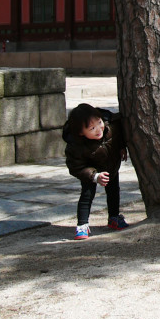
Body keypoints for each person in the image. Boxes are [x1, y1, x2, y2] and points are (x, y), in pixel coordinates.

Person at [63, 103, 129, 240]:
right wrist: (94, 176)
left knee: (113, 192)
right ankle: (82, 224)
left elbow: (119, 135)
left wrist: (122, 147)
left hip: (111, 166)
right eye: (92, 128)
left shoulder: (110, 126)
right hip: (91, 171)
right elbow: (75, 166)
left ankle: (114, 217)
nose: (99, 129)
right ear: (81, 132)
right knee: (87, 195)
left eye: (99, 123)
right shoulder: (76, 145)